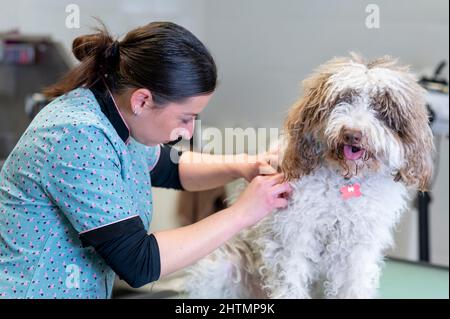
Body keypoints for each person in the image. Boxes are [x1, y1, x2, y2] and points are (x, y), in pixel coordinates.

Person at [0, 21, 292, 298]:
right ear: (142, 100)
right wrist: (243, 212)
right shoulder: (78, 134)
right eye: (185, 118)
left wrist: (243, 164)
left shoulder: (116, 114)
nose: (188, 131)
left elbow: (169, 168)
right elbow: (139, 263)